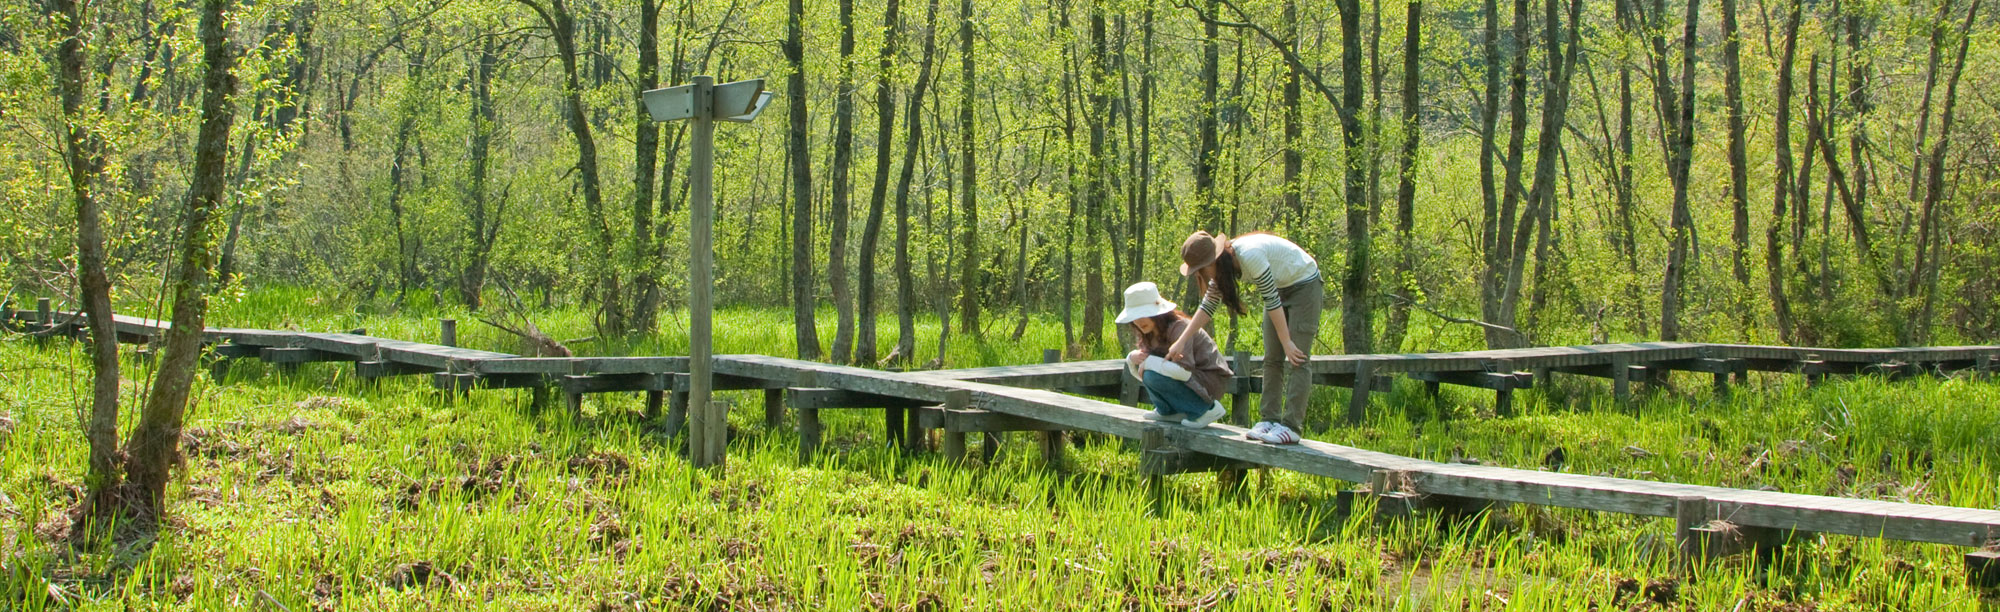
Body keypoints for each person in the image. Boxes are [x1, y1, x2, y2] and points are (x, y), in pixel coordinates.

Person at [1167, 231, 1322, 444]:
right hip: (1279, 289)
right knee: (1272, 359)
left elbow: (1272, 300)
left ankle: (1291, 426)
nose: (1203, 275)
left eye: (1202, 269)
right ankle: (1270, 419)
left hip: (1304, 285)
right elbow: (1208, 307)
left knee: (1297, 358)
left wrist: (1287, 342)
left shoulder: (1250, 256)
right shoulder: (1224, 267)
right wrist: (1181, 340)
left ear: (1214, 259)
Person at [1114, 282, 1231, 428]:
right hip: (1188, 379)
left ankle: (1207, 409)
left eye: (1143, 313)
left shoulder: (1179, 327)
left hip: (1207, 380)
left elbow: (1184, 372)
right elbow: (1143, 373)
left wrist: (1150, 362)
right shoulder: (1148, 333)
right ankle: (1167, 411)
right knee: (1150, 374)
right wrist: (1131, 359)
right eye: (1135, 316)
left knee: (1152, 373)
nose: (1139, 321)